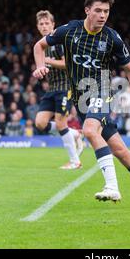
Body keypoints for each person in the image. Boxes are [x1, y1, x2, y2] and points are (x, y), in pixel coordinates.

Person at [33, 0, 130, 205]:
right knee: (121, 151)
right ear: (87, 10)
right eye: (98, 10)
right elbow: (39, 46)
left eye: (106, 11)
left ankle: (112, 187)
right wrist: (40, 66)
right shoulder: (70, 30)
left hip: (102, 91)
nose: (103, 15)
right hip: (80, 99)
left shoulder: (112, 38)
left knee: (89, 130)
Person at [34, 10, 83, 170]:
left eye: (47, 23)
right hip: (52, 89)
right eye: (41, 23)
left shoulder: (59, 43)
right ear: (38, 27)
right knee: (40, 123)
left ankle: (75, 161)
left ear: (53, 25)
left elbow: (68, 64)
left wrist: (49, 61)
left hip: (65, 88)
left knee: (61, 122)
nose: (44, 26)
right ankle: (74, 134)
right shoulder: (41, 47)